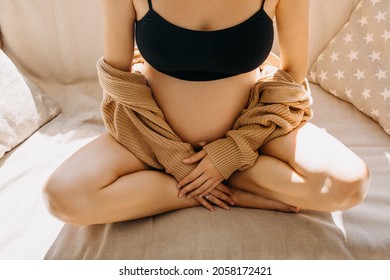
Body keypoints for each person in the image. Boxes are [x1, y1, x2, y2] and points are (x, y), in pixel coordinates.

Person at [43, 0, 370, 226]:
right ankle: (231, 193)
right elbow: (118, 81)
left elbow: (291, 78)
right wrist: (173, 157)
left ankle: (216, 176)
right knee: (63, 197)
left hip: (253, 135)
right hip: (154, 139)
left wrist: (233, 151)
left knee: (348, 184)